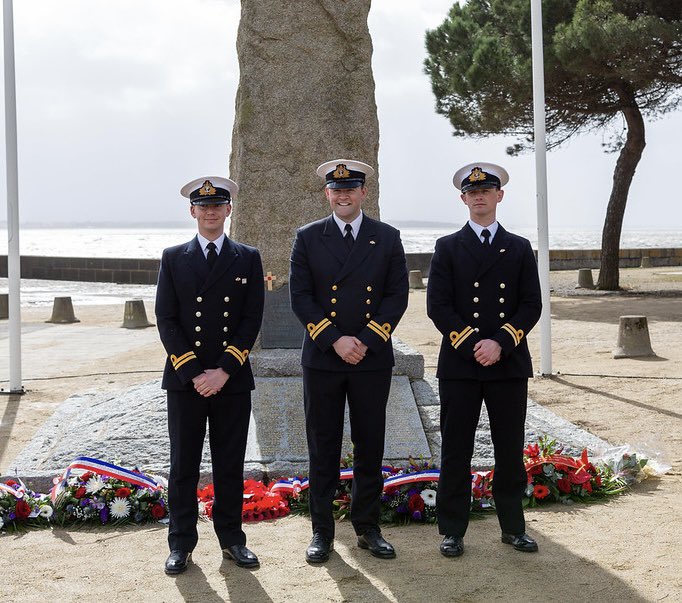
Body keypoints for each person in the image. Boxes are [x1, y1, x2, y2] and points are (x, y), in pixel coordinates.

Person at [289, 159, 409, 563]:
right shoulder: (307, 237)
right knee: (322, 446)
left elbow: (397, 296)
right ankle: (322, 532)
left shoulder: (387, 237)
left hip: (370, 358)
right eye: (335, 189)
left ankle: (368, 528)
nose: (342, 194)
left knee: (369, 444)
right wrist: (335, 340)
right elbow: (301, 297)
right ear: (327, 194)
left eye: (350, 188)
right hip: (324, 357)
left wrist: (366, 340)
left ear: (363, 193)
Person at [426, 162, 542, 557]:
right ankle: (452, 530)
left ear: (499, 196)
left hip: (508, 363)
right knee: (456, 448)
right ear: (463, 199)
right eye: (472, 192)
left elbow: (531, 304)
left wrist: (501, 343)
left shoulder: (520, 247)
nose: (479, 196)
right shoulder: (447, 247)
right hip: (460, 365)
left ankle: (513, 528)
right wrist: (474, 342)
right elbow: (437, 306)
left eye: (486, 190)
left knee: (509, 448)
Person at [155, 176, 264, 575]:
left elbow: (252, 318)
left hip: (231, 379)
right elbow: (166, 318)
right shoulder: (172, 257)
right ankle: (181, 543)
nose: (211, 212)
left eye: (218, 205)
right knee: (183, 463)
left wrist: (223, 371)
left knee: (229, 463)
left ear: (228, 210)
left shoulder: (247, 257)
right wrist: (195, 372)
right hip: (186, 380)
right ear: (193, 212)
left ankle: (233, 539)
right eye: (204, 206)